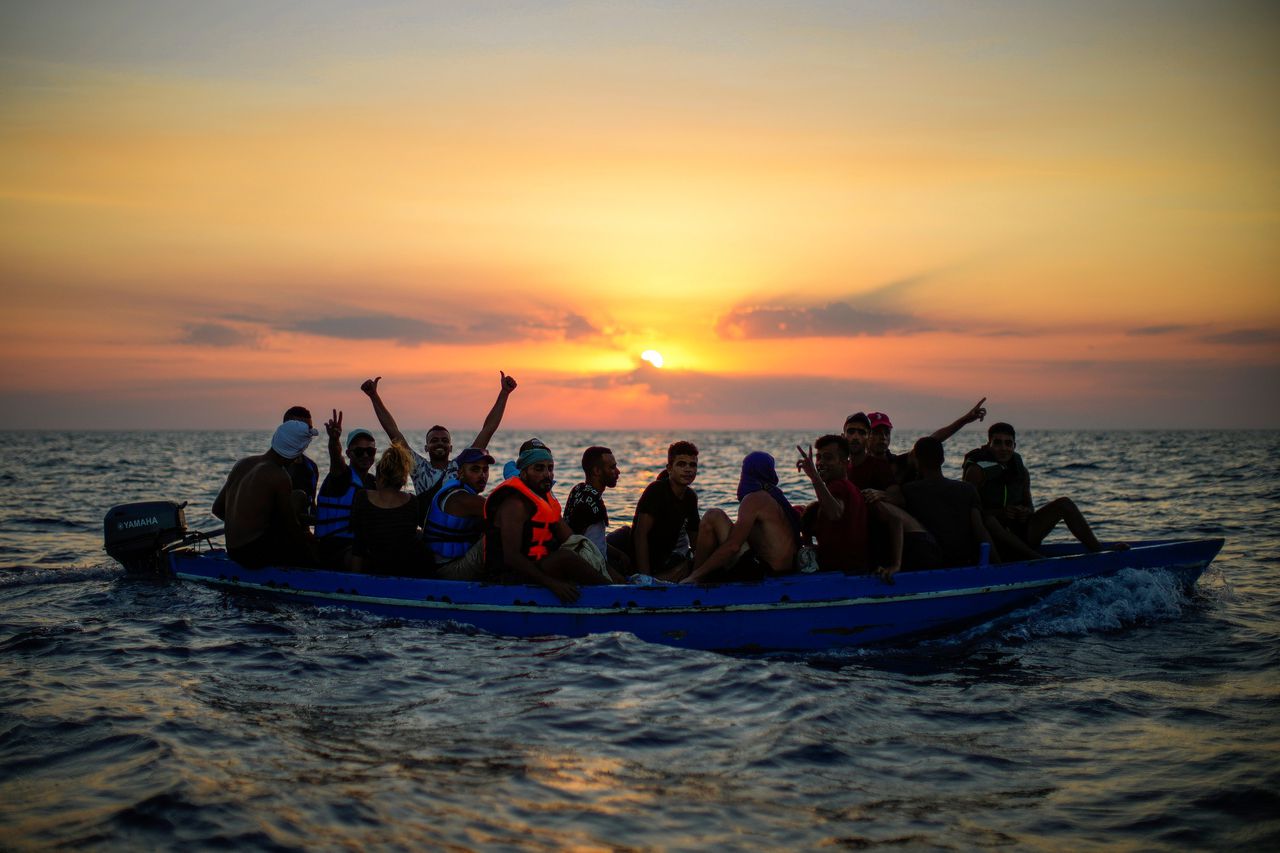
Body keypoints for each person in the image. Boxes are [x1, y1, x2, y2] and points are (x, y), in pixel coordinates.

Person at [360, 372, 517, 517]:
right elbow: (393, 431)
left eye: (444, 440)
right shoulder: (419, 468)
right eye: (434, 441)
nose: (440, 443)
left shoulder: (460, 465)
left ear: (451, 448)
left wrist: (504, 393)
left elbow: (487, 430)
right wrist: (374, 396)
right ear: (426, 448)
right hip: (431, 531)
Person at [963, 422, 1122, 558]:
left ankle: (1098, 551)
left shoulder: (1021, 471)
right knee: (990, 521)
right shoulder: (977, 472)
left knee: (1064, 504)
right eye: (997, 443)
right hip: (993, 540)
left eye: (1008, 443)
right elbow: (967, 514)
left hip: (1022, 533)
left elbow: (1031, 507)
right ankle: (1038, 560)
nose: (1003, 448)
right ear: (988, 444)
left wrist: (1025, 511)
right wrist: (1001, 513)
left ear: (1014, 446)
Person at [483, 443, 614, 602]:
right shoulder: (515, 505)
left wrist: (605, 565)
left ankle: (619, 584)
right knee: (565, 557)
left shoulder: (544, 501)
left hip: (537, 567)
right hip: (507, 576)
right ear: (524, 474)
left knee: (582, 550)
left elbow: (573, 541)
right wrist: (553, 584)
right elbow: (512, 558)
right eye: (539, 469)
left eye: (550, 468)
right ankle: (616, 594)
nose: (547, 474)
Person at [212, 420, 320, 568]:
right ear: (297, 452)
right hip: (252, 554)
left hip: (232, 549)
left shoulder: (243, 463)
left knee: (297, 496)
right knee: (311, 550)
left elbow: (217, 509)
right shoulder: (279, 476)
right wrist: (310, 550)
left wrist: (240, 526)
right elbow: (289, 526)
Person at [682, 452, 799, 584]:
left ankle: (694, 577)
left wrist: (697, 574)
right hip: (785, 569)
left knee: (713, 516)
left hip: (766, 571)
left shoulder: (754, 498)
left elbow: (733, 546)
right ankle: (698, 572)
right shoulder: (774, 497)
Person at [606, 441, 701, 580]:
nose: (688, 469)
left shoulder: (690, 497)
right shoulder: (657, 490)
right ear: (669, 469)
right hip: (637, 558)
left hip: (664, 559)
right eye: (681, 464)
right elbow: (640, 534)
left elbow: (695, 540)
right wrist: (645, 577)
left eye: (692, 465)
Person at [903, 436, 998, 568]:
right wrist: (997, 564)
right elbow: (980, 530)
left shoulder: (909, 491)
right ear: (942, 460)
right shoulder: (967, 489)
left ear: (917, 462)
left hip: (928, 563)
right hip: (963, 561)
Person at [349, 444, 434, 576]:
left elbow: (358, 543)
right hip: (405, 568)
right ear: (402, 480)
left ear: (380, 477)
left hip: (373, 565)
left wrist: (354, 581)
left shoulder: (362, 497)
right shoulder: (412, 501)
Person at [865, 397, 988, 484]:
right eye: (876, 433)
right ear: (865, 436)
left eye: (886, 433)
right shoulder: (855, 464)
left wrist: (965, 419)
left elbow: (932, 440)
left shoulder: (900, 463)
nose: (883, 437)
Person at [314, 411, 378, 569]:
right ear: (349, 454)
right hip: (336, 549)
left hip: (360, 546)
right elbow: (336, 459)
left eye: (369, 451)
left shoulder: (374, 483)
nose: (365, 455)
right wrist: (334, 440)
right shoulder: (341, 477)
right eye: (359, 451)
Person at [796, 435, 869, 573]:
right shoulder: (851, 488)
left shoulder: (838, 486)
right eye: (819, 457)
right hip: (856, 567)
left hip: (839, 570)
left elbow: (835, 512)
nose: (820, 463)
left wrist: (814, 477)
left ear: (845, 463)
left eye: (828, 458)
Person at [423, 446, 494, 580]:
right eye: (475, 469)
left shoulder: (458, 490)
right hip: (449, 570)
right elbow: (504, 513)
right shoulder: (462, 499)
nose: (482, 475)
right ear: (460, 472)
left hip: (446, 563)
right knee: (499, 534)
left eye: (485, 469)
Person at [565, 446, 631, 574]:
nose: (618, 472)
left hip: (588, 554)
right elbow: (589, 552)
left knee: (626, 533)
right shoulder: (592, 504)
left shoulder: (578, 489)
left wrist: (619, 554)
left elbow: (591, 540)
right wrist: (614, 576)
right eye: (612, 467)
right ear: (597, 471)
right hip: (590, 567)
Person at [282, 405, 320, 520]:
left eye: (309, 430)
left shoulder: (311, 467)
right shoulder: (269, 467)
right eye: (301, 430)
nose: (306, 434)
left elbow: (311, 505)